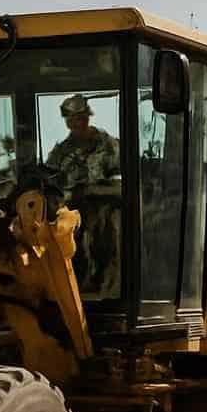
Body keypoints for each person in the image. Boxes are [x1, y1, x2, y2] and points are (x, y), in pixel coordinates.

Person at [47, 94, 122, 299]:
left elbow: (123, 184)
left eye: (79, 118)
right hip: (71, 210)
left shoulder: (110, 147)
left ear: (87, 117)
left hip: (105, 208)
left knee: (110, 236)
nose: (75, 123)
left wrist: (96, 190)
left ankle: (105, 285)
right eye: (70, 119)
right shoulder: (61, 152)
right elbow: (50, 180)